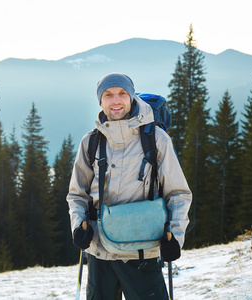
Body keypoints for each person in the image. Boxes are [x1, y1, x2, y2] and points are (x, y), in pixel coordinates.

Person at [67, 73, 192, 300]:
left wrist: (175, 236)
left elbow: (178, 194)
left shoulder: (157, 139)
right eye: (108, 95)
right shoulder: (91, 142)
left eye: (122, 93)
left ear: (132, 97)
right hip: (99, 252)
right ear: (100, 101)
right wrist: (78, 226)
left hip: (142, 251)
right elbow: (77, 194)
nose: (116, 100)